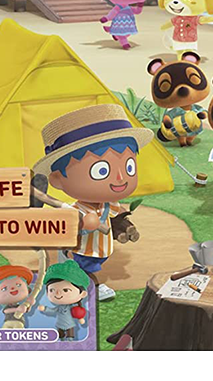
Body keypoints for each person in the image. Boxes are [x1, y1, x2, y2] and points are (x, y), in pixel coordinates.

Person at [33, 104, 153, 302]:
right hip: (82, 250)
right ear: (57, 179)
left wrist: (124, 226)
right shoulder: (76, 209)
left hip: (101, 248)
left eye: (129, 167)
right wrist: (84, 224)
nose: (120, 178)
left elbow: (116, 214)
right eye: (101, 171)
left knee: (94, 262)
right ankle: (88, 287)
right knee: (83, 268)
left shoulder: (108, 204)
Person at [38, 260, 91, 340]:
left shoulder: (74, 307)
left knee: (70, 336)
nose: (57, 293)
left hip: (70, 325)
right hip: (60, 324)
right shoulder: (59, 307)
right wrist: (45, 308)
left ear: (82, 294)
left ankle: (69, 340)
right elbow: (53, 310)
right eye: (52, 290)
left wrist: (80, 318)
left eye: (65, 290)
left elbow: (77, 313)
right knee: (60, 336)